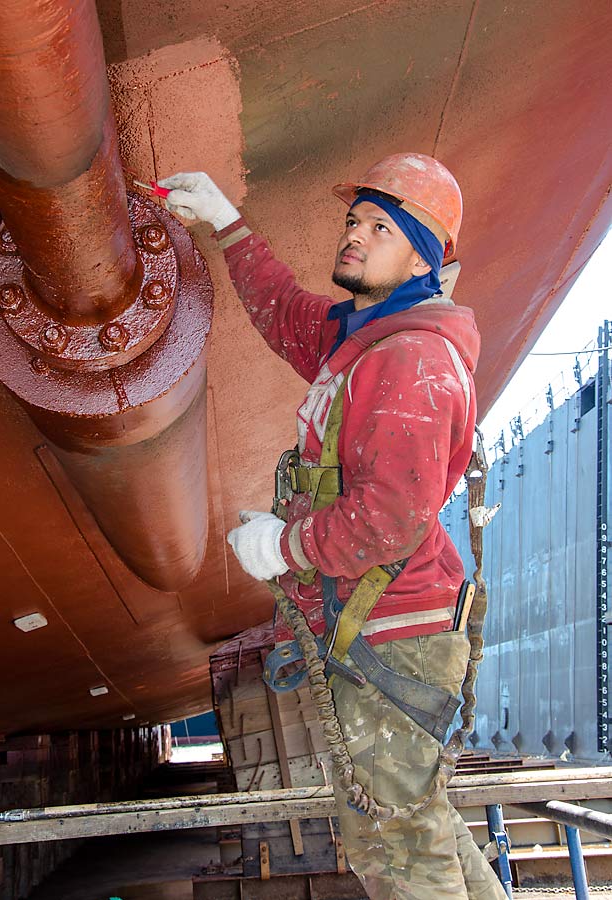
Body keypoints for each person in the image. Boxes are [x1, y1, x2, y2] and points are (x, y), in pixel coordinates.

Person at [157, 157, 505, 899]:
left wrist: (284, 545)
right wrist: (228, 225)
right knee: (416, 826)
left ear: (422, 254)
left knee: (394, 849)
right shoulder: (367, 336)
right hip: (383, 625)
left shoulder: (411, 357)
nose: (355, 235)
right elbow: (285, 313)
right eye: (354, 221)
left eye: (380, 227)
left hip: (394, 635)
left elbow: (386, 520)